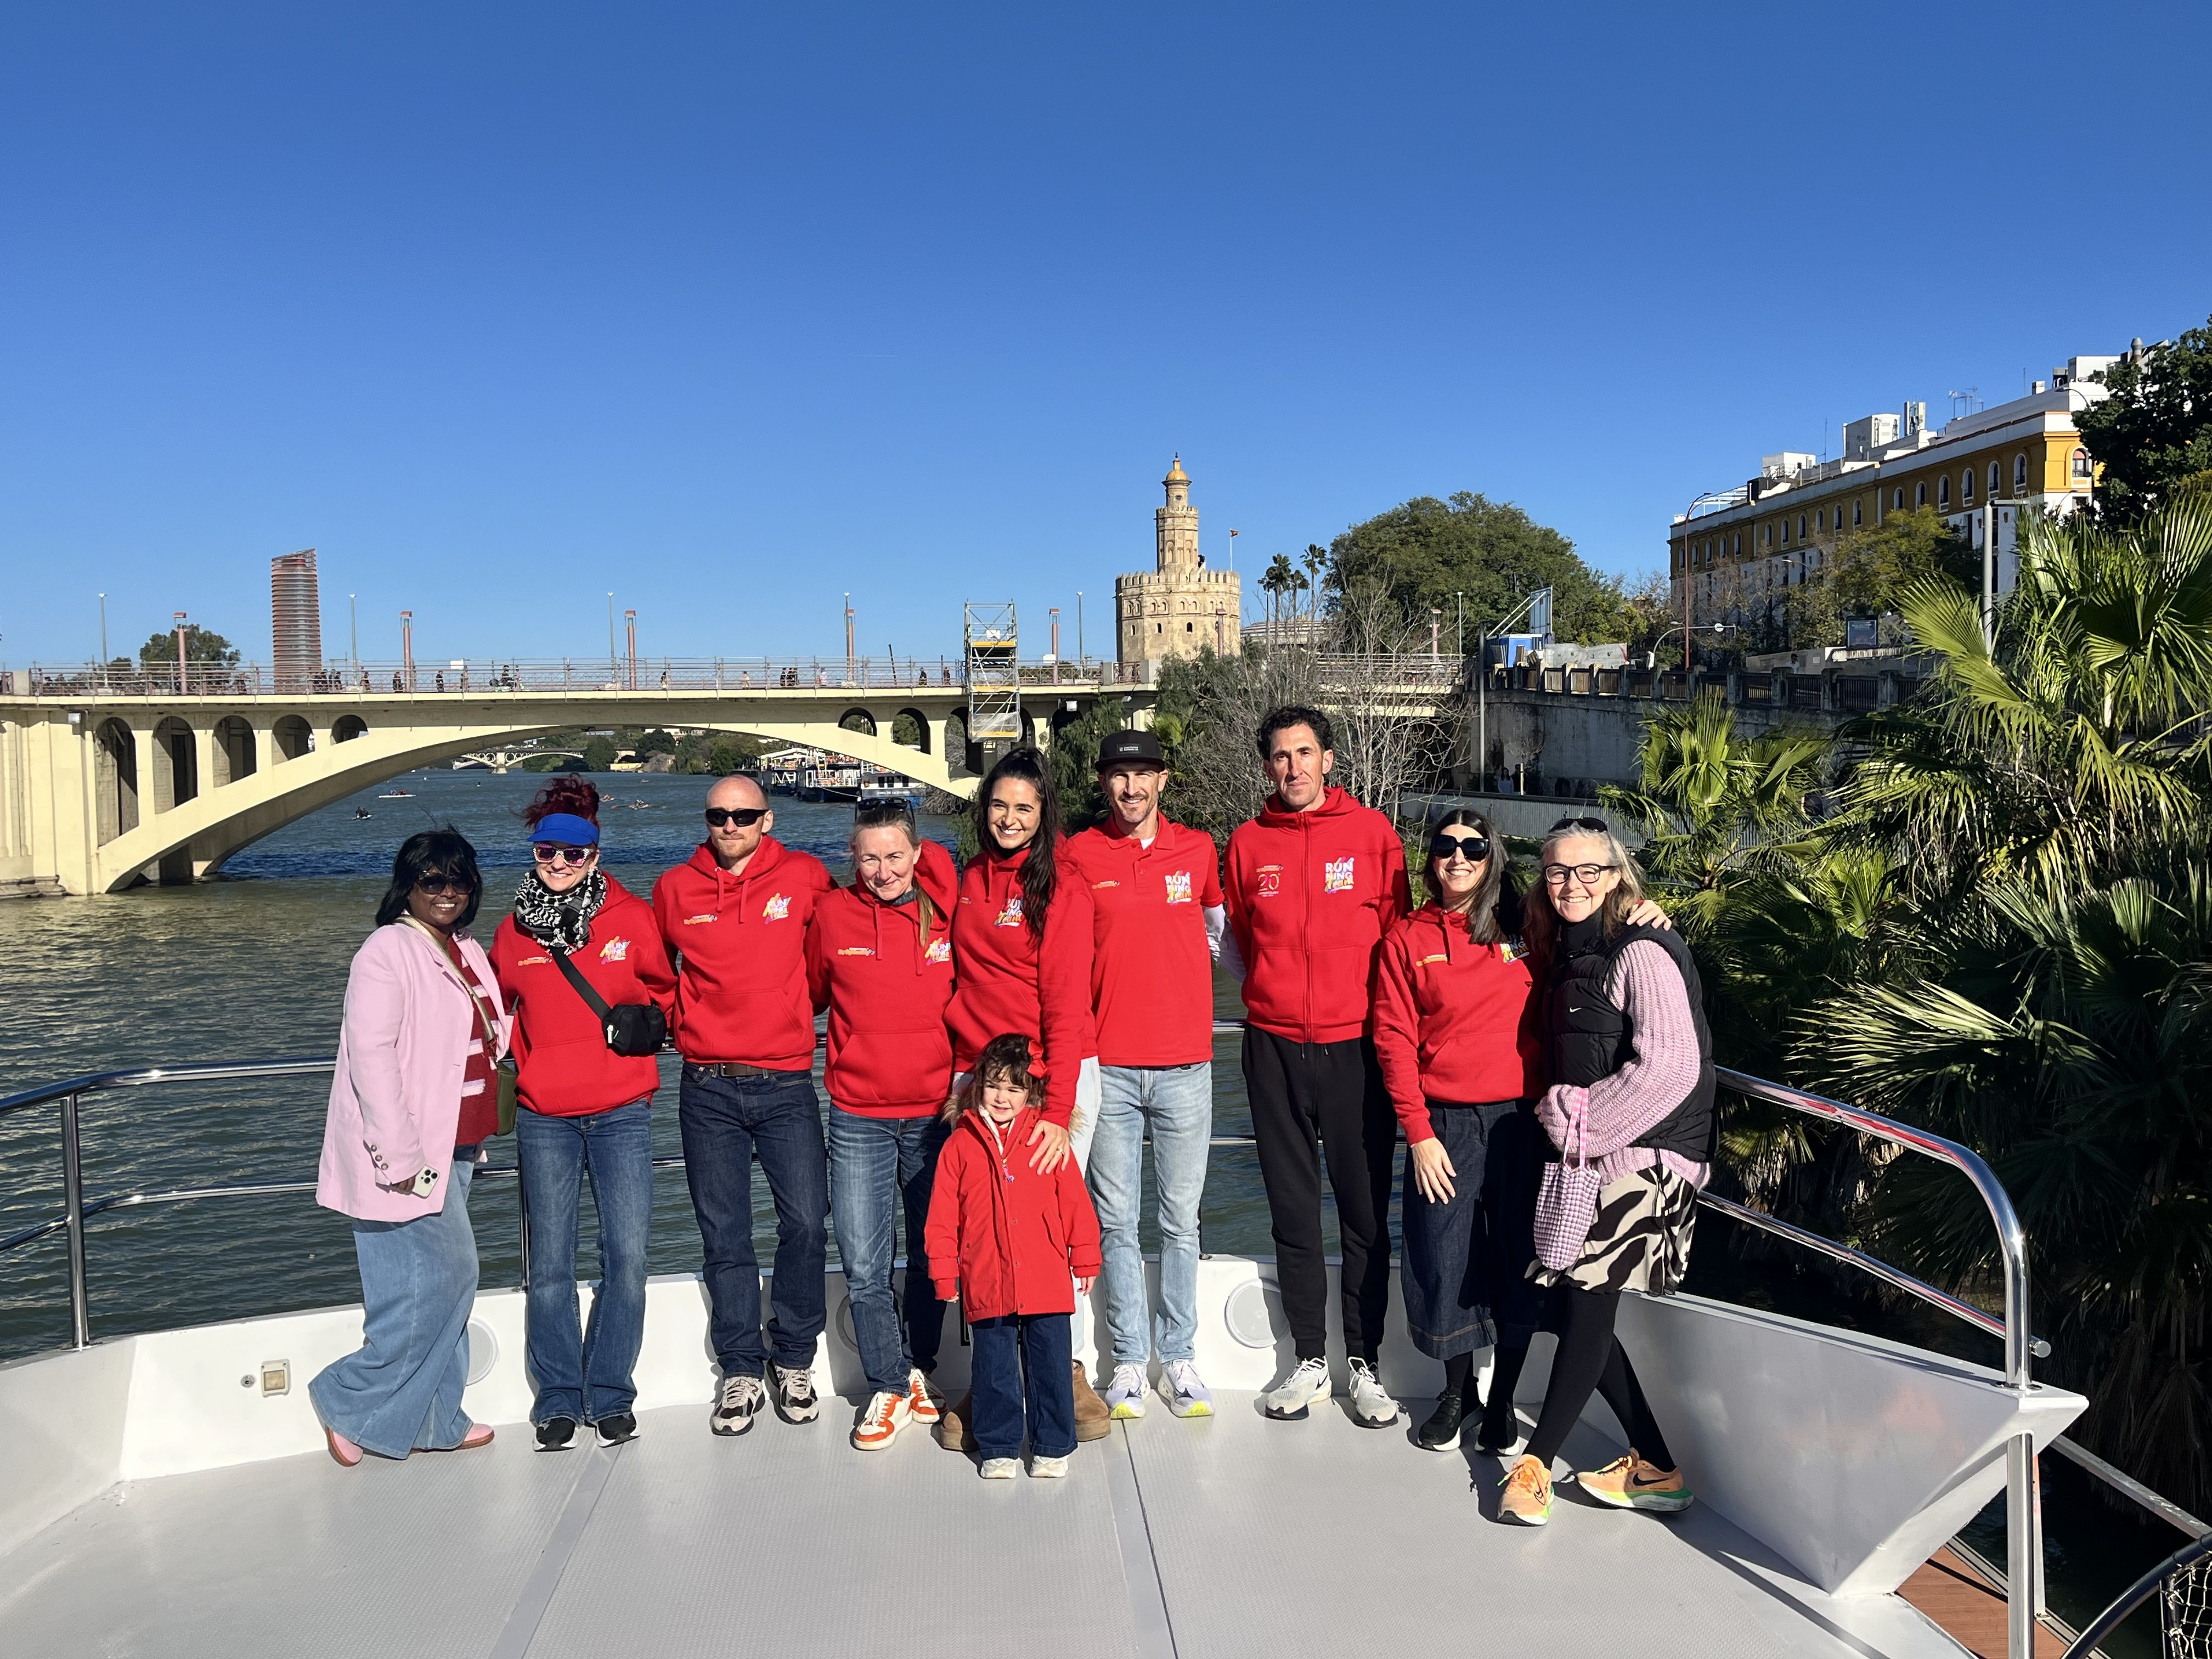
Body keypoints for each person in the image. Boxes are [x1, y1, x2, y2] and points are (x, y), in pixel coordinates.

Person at [1497, 817, 1712, 1527]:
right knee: (1572, 1307)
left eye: (1589, 870)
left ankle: (1536, 1467)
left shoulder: (1640, 949)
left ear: (1617, 875)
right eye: (1558, 871)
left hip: (1647, 1156)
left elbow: (1671, 1067)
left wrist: (1578, 1121)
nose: (1572, 884)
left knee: (1586, 1300)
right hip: (1599, 1154)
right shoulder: (1569, 948)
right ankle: (1658, 1468)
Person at [1222, 705, 1409, 1426]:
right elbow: (1244, 937)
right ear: (1267, 767)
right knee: (1293, 1213)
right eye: (1280, 756)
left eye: (1304, 753)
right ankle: (1308, 1360)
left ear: (1329, 760)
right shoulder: (1247, 844)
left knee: (1364, 1215)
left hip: (1356, 1048)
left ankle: (1365, 1363)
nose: (1293, 767)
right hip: (1272, 1048)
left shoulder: (1374, 835)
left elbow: (1396, 939)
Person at [310, 829, 507, 1466]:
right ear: (409, 886)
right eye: (432, 880)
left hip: (458, 1143)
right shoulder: (387, 951)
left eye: (459, 880)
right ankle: (347, 1398)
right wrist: (400, 1159)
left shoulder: (464, 946)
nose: (448, 892)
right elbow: (371, 1057)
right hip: (410, 1155)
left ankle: (436, 1420)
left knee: (433, 1286)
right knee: (445, 1277)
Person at [490, 778, 676, 1451]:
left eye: (575, 854)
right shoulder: (513, 931)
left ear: (595, 856)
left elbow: (666, 993)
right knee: (549, 1265)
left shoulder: (631, 917)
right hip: (545, 1117)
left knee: (627, 1256)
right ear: (534, 853)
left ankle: (611, 1393)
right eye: (548, 852)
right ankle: (560, 1399)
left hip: (622, 1110)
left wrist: (646, 1023)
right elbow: (492, 1008)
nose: (560, 864)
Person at [652, 772, 835, 1437]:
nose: (730, 826)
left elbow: (828, 957)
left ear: (768, 820)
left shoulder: (806, 877)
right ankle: (739, 1366)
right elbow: (654, 970)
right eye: (718, 816)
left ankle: (793, 1357)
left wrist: (791, 1010)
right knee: (724, 1234)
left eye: (744, 815)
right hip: (707, 1087)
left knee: (807, 1223)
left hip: (785, 1082)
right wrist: (681, 1018)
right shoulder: (675, 888)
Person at [936, 747, 1110, 1446]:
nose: (1009, 819)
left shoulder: (1061, 888)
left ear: (1044, 814)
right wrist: (963, 1079)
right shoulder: (970, 877)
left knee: (1047, 1235)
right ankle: (996, 1381)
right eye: (999, 806)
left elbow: (1065, 1009)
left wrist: (1058, 1114)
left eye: (1024, 808)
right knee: (985, 1234)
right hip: (980, 1082)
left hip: (1047, 1080)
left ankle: (1065, 1373)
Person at [1372, 809, 1548, 1453]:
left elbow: (1594, 925)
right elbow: (1393, 1039)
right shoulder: (1406, 939)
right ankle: (1458, 1394)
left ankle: (1502, 1402)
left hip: (1522, 1121)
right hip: (1444, 1124)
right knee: (1443, 1258)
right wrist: (1419, 1133)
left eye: (1473, 848)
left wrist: (1645, 908)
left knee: (1516, 1259)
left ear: (1491, 857)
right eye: (1446, 846)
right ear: (1431, 857)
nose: (1458, 858)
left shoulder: (1527, 928)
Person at [1061, 729, 1224, 1420]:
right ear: (1104, 783)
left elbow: (1218, 934)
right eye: (1119, 776)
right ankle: (1130, 1360)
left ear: (1163, 780)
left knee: (1181, 1222)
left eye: (1143, 774)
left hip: (1186, 1064)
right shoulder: (1078, 854)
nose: (1131, 788)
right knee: (1116, 1222)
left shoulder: (1199, 850)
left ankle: (1180, 1356)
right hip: (1111, 1069)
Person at [806, 799, 960, 1451]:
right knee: (865, 1264)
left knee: (930, 1255)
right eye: (869, 857)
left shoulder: (946, 908)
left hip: (935, 1115)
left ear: (919, 855)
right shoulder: (831, 915)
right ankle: (889, 1386)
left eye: (896, 855)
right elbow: (814, 991)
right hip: (858, 1118)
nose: (883, 870)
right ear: (853, 858)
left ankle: (919, 1367)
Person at [926, 1035, 1102, 1479]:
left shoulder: (1049, 1140)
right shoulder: (959, 1145)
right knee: (994, 1370)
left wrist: (1084, 1258)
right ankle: (999, 1446)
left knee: (1051, 1367)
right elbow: (942, 1219)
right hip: (987, 1280)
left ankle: (1053, 1445)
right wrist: (945, 1273)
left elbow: (1076, 1204)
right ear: (977, 1086)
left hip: (1046, 1278)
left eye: (1014, 1088)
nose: (1002, 1097)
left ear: (1031, 1093)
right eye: (993, 1085)